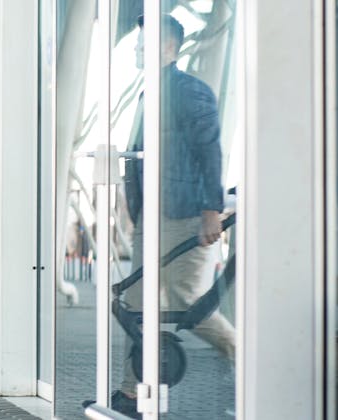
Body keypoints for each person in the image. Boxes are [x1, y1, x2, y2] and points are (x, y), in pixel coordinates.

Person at [111, 15, 234, 418]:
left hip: (185, 216)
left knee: (189, 304)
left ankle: (248, 361)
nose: (136, 48)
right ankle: (131, 395)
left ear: (168, 48)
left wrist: (212, 210)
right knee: (135, 306)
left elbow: (210, 151)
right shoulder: (153, 92)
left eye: (144, 43)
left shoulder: (189, 91)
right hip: (154, 218)